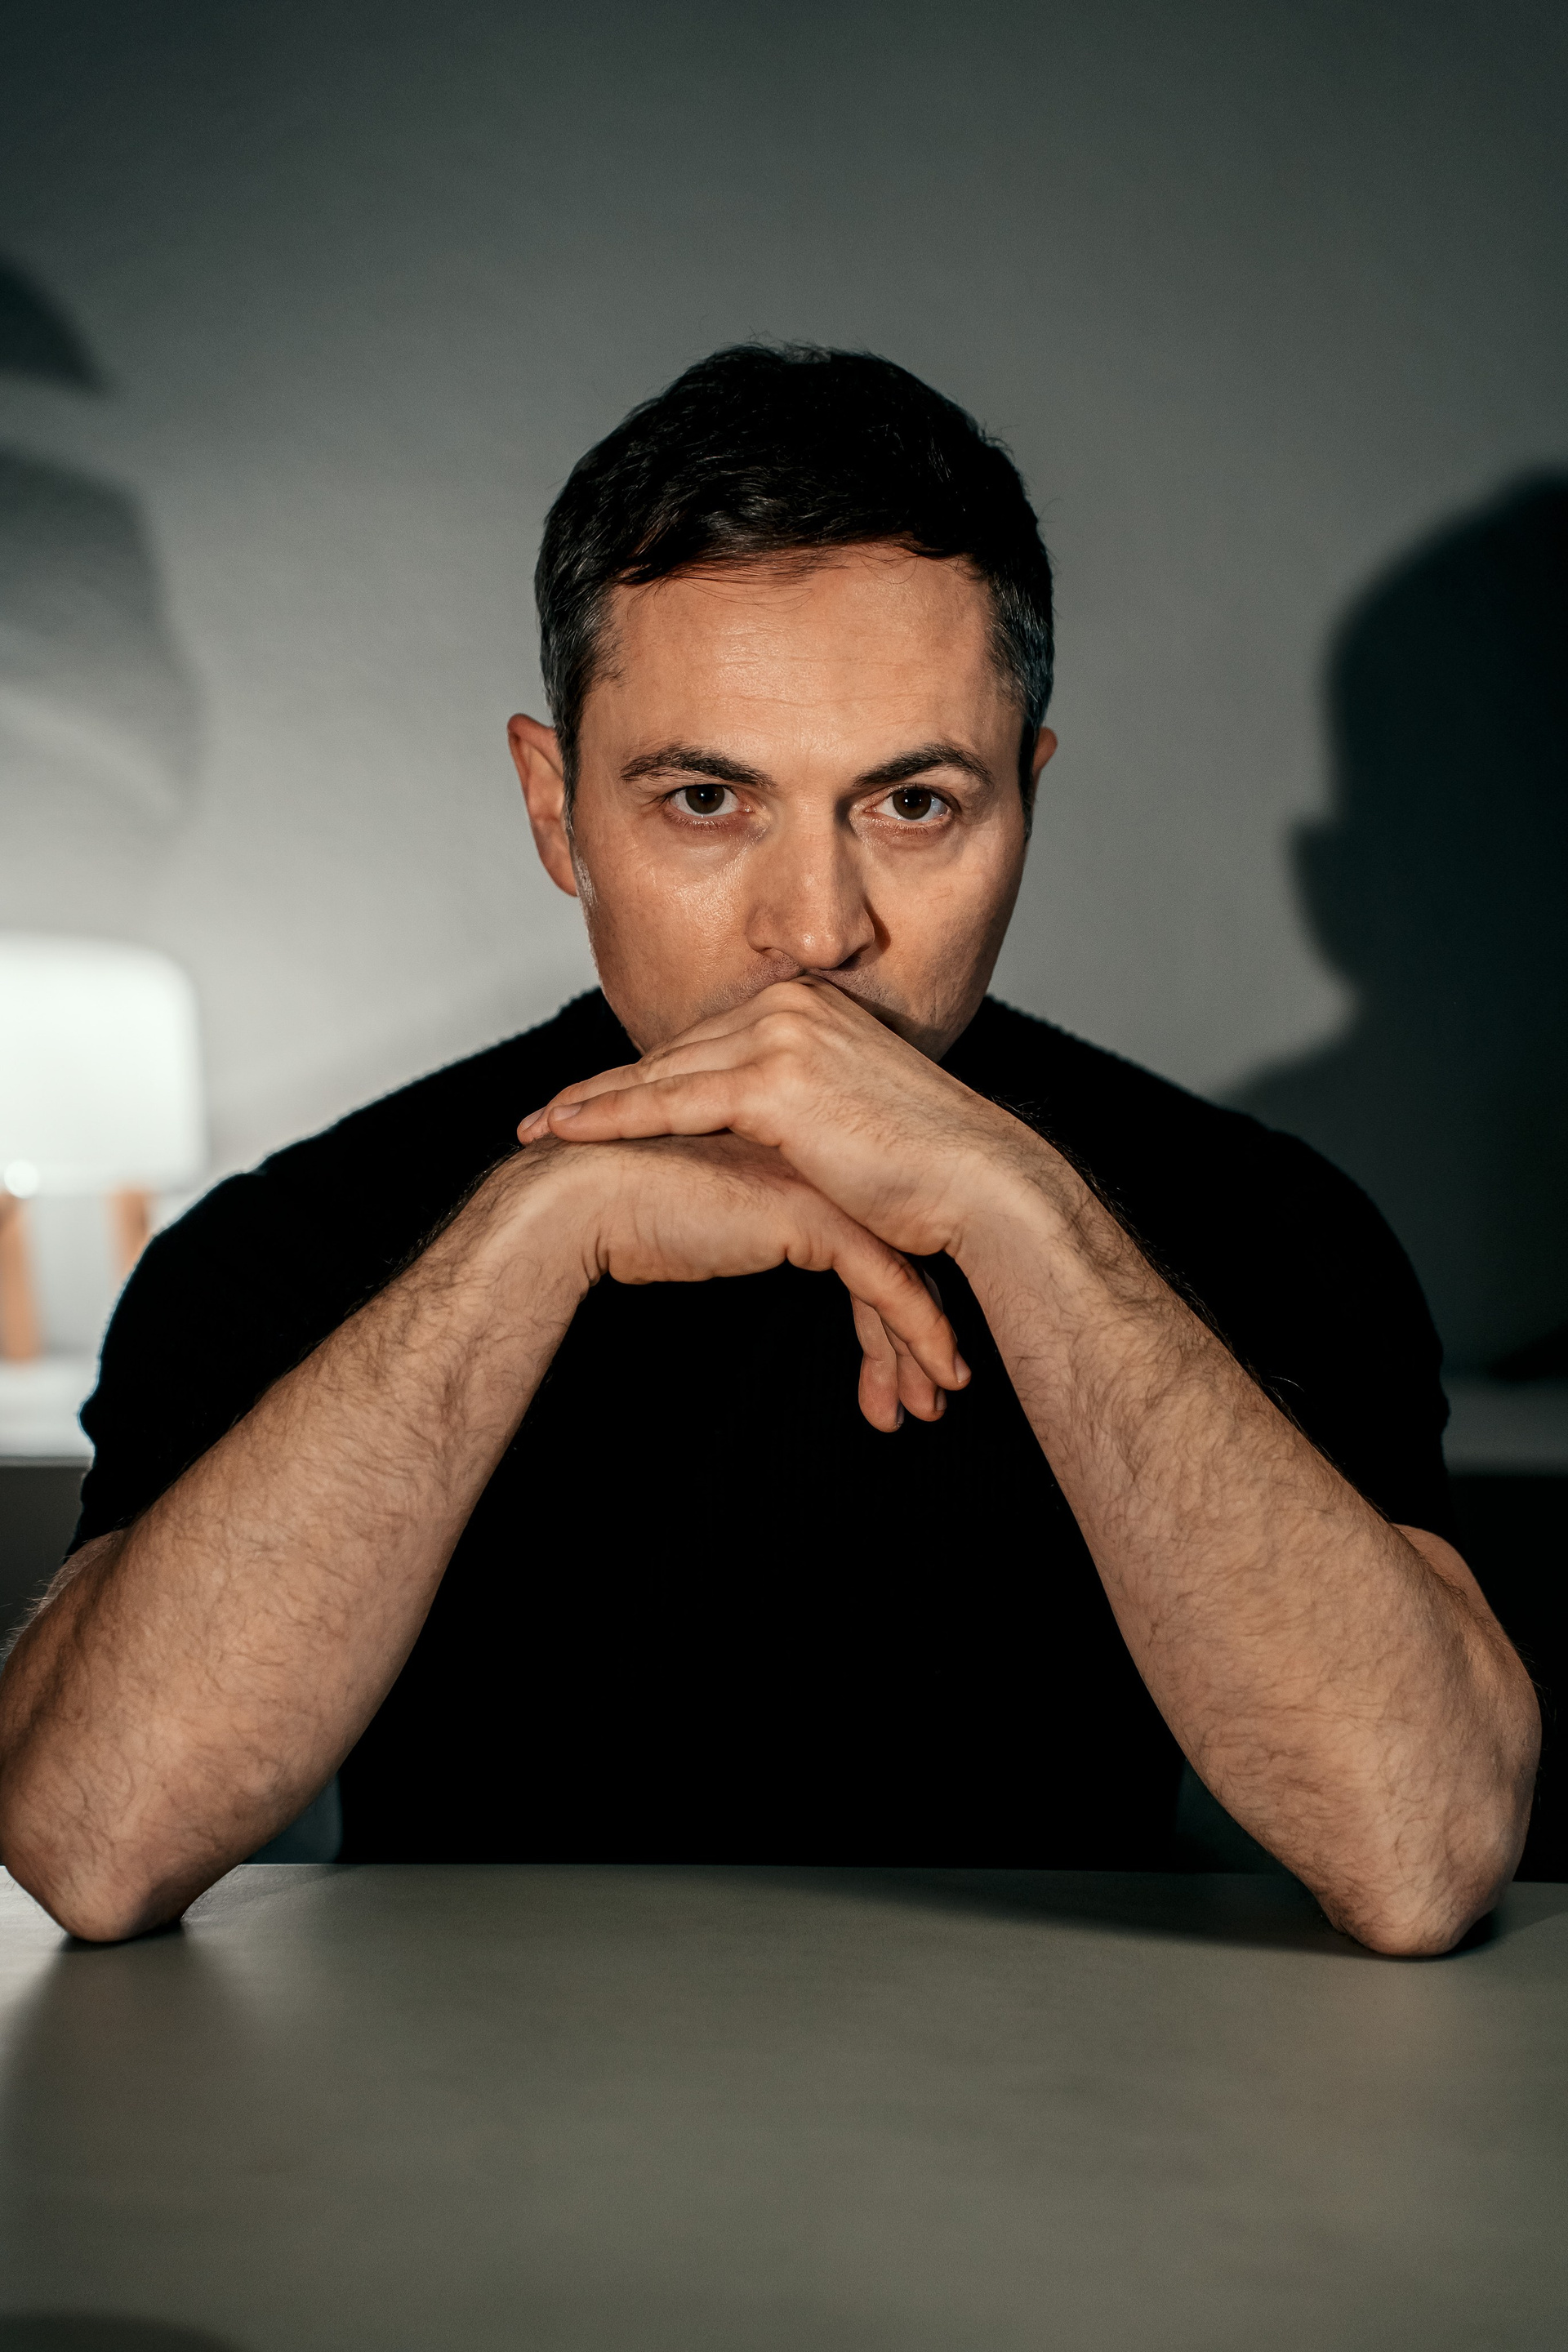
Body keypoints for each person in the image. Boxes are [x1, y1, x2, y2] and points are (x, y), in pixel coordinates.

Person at [0, 346, 1538, 1953]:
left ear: (1026, 803)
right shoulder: (295, 1240)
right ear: (556, 809)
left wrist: (1018, 1207)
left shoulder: (1266, 1224)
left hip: (1065, 2101)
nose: (814, 930)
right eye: (706, 800)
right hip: (473, 2104)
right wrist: (530, 1242)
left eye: (914, 805)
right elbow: (94, 1843)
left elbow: (1418, 1852)